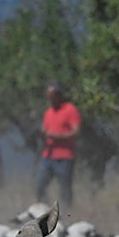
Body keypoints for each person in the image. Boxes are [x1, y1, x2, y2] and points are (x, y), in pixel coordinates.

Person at [35, 81, 81, 209]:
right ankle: (42, 210)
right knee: (40, 184)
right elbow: (46, 131)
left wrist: (57, 136)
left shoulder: (70, 110)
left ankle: (67, 212)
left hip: (65, 156)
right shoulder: (48, 112)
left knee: (65, 187)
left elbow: (76, 132)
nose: (50, 99)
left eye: (53, 95)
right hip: (48, 155)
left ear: (59, 95)